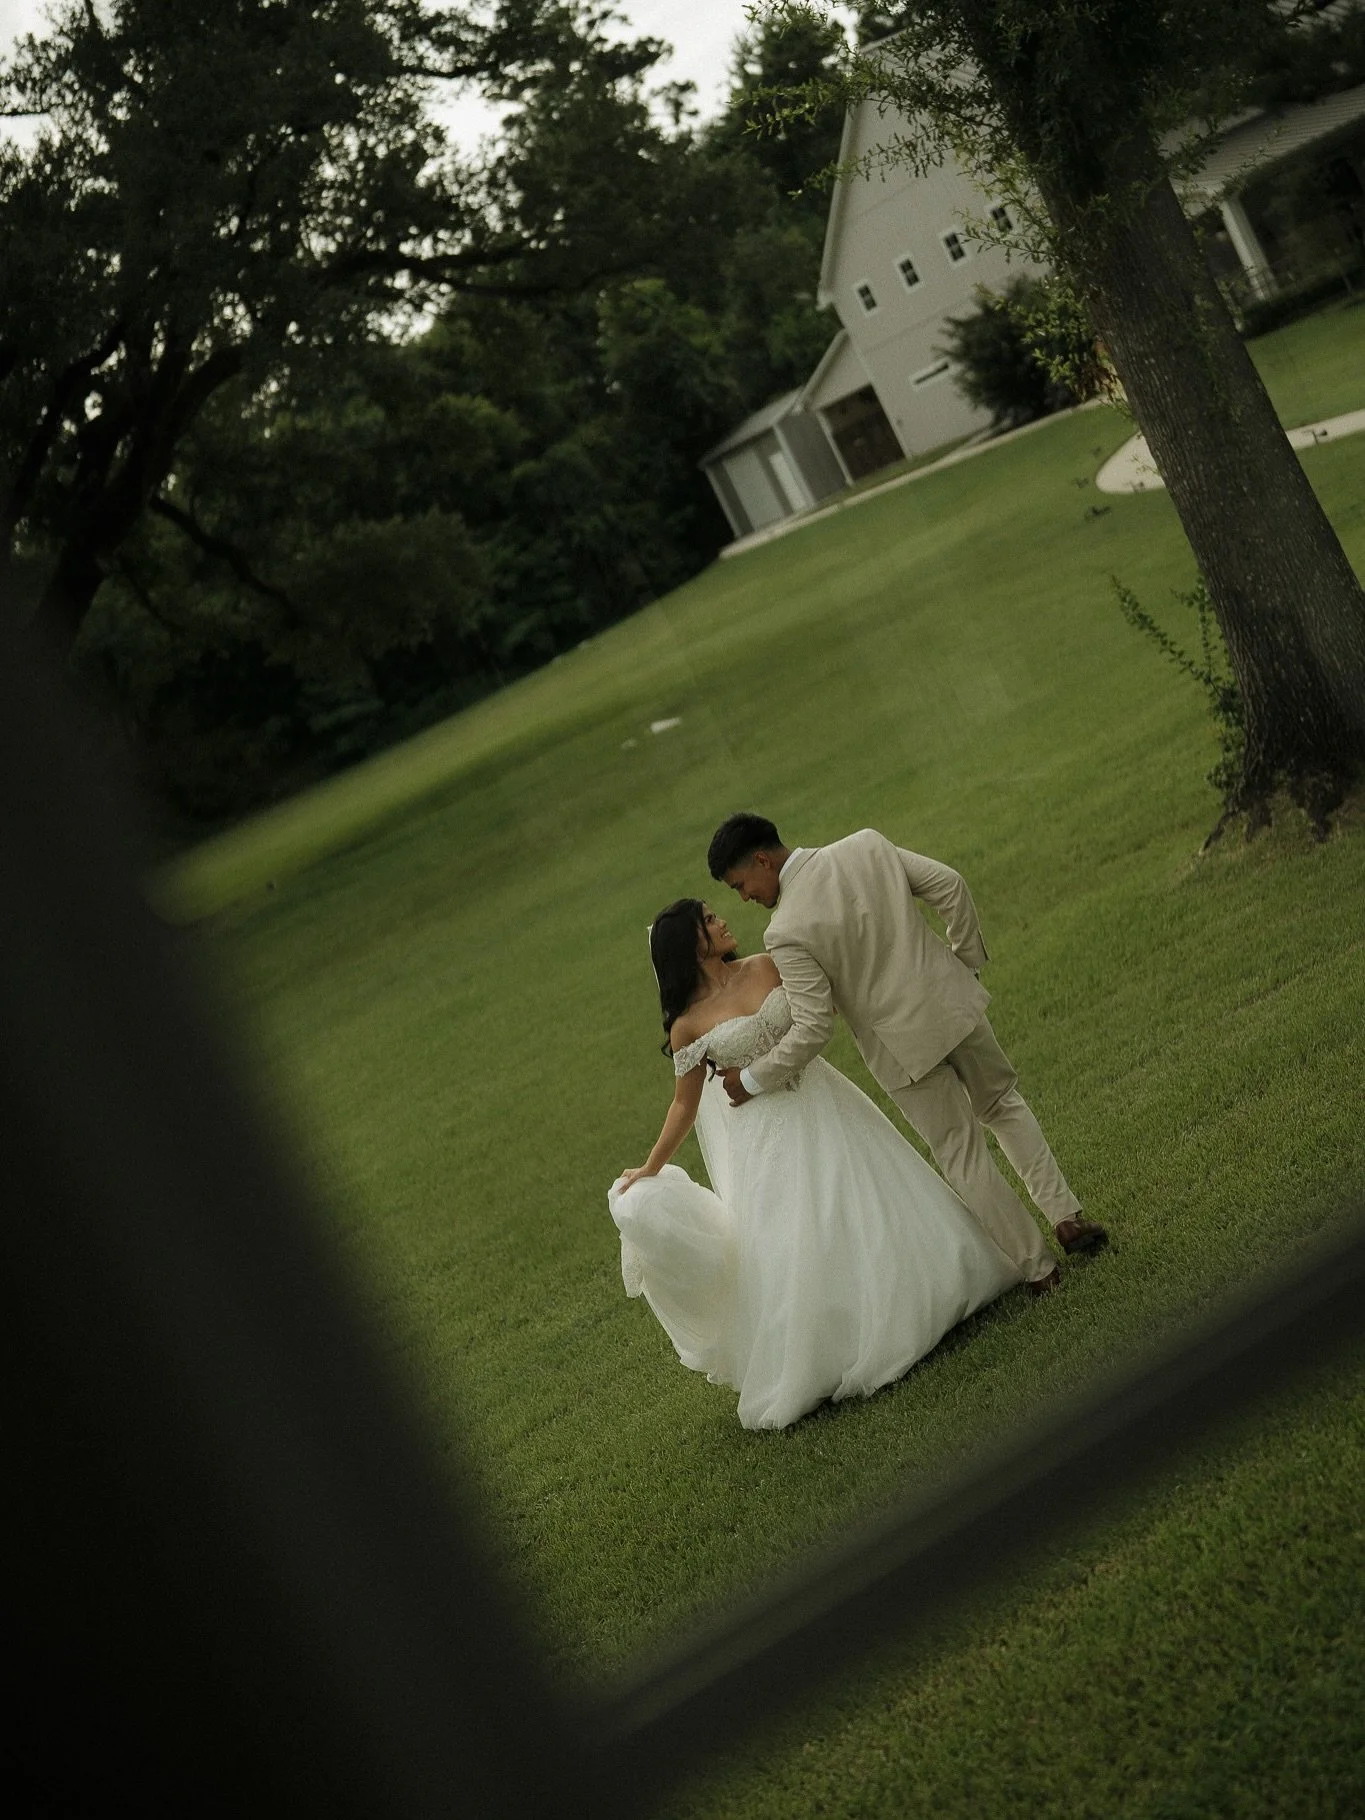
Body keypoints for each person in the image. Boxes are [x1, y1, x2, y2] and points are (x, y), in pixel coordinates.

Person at [608, 898, 1022, 1430]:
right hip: (765, 1136)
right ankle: (830, 1348)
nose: (722, 921)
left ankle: (938, 1288)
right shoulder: (687, 1027)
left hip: (825, 1102)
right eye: (709, 920)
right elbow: (685, 1105)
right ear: (692, 944)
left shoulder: (766, 965)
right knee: (797, 1235)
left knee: (867, 1192)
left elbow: (817, 1012)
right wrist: (649, 1167)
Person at [706, 813, 1106, 1296]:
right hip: (953, 1005)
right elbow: (951, 886)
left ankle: (1039, 1268)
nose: (744, 897)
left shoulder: (785, 930)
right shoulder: (865, 845)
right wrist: (964, 964)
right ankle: (1065, 1216)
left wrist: (750, 1080)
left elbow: (813, 1027)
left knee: (962, 1155)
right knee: (1003, 1106)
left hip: (899, 1051)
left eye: (740, 884)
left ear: (763, 861)